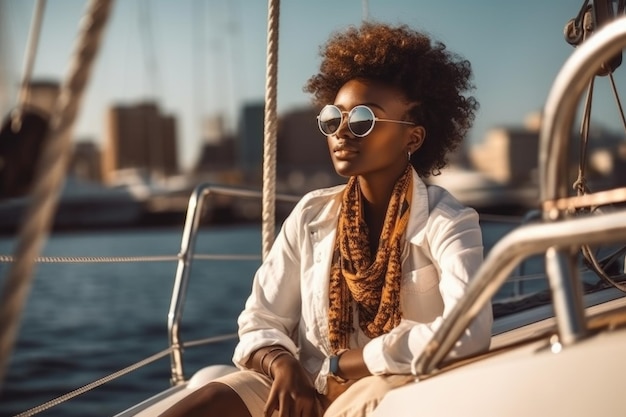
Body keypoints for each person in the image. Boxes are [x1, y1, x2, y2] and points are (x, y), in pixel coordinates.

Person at [159, 21, 492, 417]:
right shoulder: (311, 214)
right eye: (334, 118)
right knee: (205, 403)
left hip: (392, 382)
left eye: (363, 119)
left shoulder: (448, 221)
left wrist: (351, 361)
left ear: (413, 138)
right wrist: (283, 367)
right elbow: (259, 319)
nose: (341, 133)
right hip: (306, 382)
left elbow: (468, 331)